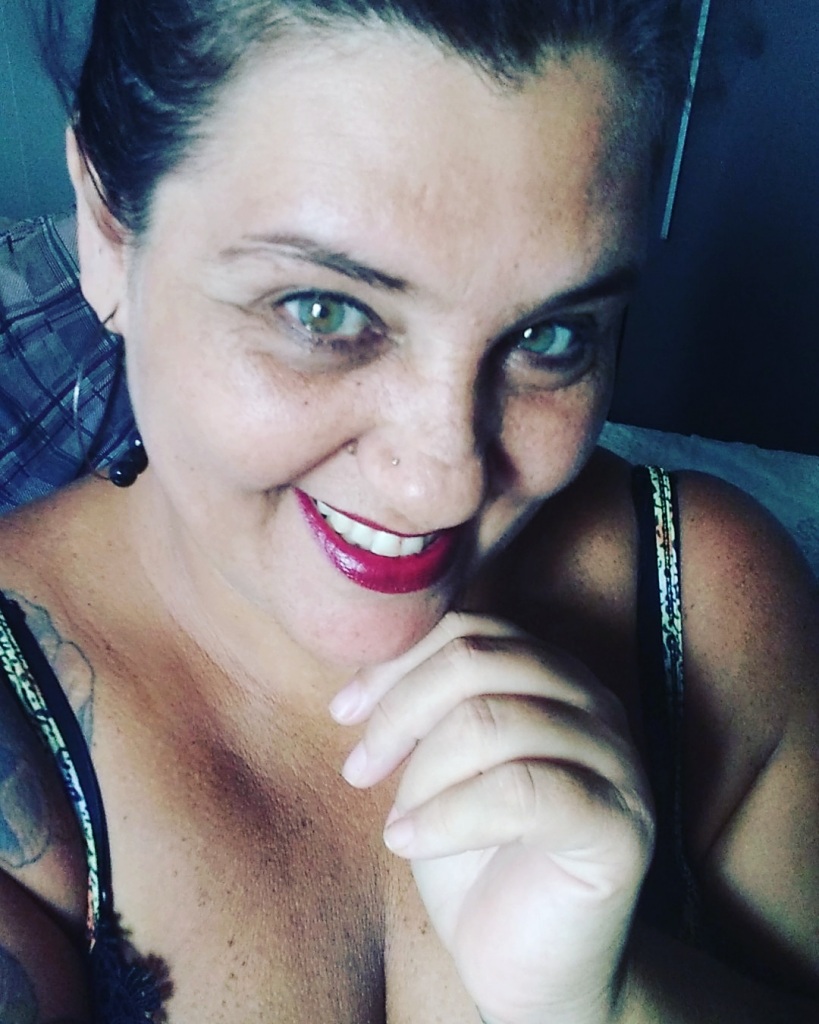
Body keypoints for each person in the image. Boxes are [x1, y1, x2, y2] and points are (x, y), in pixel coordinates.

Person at [0, 0, 816, 1020]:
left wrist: (602, 1001)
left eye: (552, 337)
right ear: (109, 232)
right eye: (323, 312)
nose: (444, 485)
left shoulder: (716, 611)